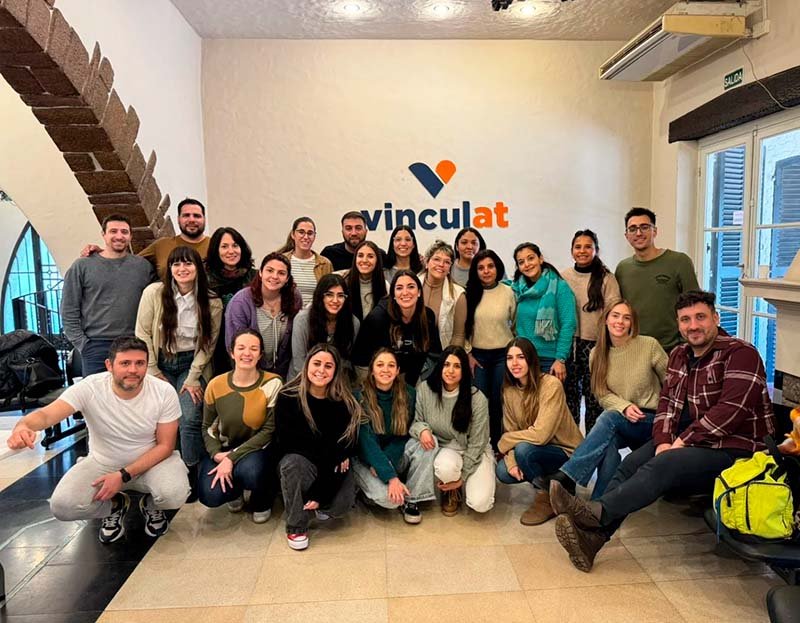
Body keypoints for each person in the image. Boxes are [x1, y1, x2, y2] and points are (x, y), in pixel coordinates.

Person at [550, 290, 776, 573]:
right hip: (696, 441)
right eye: (685, 320)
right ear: (678, 324)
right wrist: (663, 440)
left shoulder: (741, 353)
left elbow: (730, 412)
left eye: (700, 317)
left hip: (739, 449)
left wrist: (681, 441)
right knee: (632, 463)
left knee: (665, 462)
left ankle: (595, 512)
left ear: (716, 318)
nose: (693, 326)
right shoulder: (680, 354)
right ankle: (592, 538)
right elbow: (668, 403)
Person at [6, 336, 189, 543]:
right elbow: (47, 415)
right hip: (103, 463)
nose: (133, 370)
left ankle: (151, 506)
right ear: (109, 365)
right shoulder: (90, 387)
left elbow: (165, 446)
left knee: (175, 494)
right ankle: (115, 506)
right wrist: (24, 426)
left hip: (152, 463)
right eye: (125, 363)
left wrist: (123, 475)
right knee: (62, 506)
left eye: (140, 363)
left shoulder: (163, 391)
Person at [550, 299, 666, 499]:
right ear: (606, 319)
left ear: (632, 322)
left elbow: (674, 384)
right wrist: (624, 406)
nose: (620, 322)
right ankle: (599, 504)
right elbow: (601, 392)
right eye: (615, 316)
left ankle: (568, 476)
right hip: (624, 418)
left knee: (608, 417)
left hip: (651, 419)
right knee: (608, 444)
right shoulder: (597, 354)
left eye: (626, 318)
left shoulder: (649, 345)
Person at [135, 246, 222, 498]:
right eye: (176, 264)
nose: (182, 269)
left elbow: (208, 345)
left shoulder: (212, 302)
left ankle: (190, 473)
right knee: (159, 419)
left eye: (188, 264)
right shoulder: (154, 293)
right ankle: (158, 473)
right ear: (170, 269)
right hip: (159, 363)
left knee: (189, 417)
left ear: (198, 268)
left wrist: (194, 378)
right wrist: (153, 370)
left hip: (191, 364)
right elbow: (142, 333)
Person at [274, 344, 362, 550]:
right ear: (306, 366)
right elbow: (289, 442)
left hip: (330, 468)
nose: (321, 370)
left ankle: (314, 501)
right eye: (316, 363)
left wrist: (321, 491)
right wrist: (334, 454)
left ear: (335, 371)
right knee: (292, 462)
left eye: (328, 366)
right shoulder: (288, 397)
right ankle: (296, 526)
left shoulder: (344, 403)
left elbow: (347, 446)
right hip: (302, 462)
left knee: (341, 506)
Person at [199, 329, 283, 523]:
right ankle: (233, 491)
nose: (247, 353)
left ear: (260, 355)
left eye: (254, 349)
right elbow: (207, 427)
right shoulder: (215, 384)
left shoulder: (273, 382)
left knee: (251, 473)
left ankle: (262, 499)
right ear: (232, 352)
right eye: (241, 348)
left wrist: (232, 458)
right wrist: (216, 454)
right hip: (224, 448)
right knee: (209, 495)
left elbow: (269, 430)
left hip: (258, 448)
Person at [497, 338, 583, 525]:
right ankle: (558, 488)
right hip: (535, 448)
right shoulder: (509, 391)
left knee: (524, 450)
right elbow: (511, 431)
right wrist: (511, 461)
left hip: (565, 451)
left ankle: (547, 497)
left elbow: (541, 435)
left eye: (521, 357)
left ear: (531, 359)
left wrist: (505, 439)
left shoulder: (551, 385)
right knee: (503, 471)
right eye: (510, 358)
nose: (515, 363)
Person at [61, 213, 155, 376]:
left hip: (134, 343)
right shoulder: (82, 266)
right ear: (103, 234)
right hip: (96, 345)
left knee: (133, 391)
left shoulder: (143, 267)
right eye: (113, 231)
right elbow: (69, 308)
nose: (119, 236)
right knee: (96, 392)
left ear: (130, 236)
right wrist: (83, 344)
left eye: (124, 232)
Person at [353, 349, 436, 524]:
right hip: (366, 460)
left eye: (391, 365)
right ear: (372, 370)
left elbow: (406, 434)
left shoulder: (409, 393)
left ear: (398, 371)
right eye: (380, 365)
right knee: (390, 500)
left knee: (429, 441)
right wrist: (389, 475)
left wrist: (387, 463)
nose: (385, 370)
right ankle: (366, 492)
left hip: (393, 454)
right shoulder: (359, 397)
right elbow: (366, 441)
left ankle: (412, 499)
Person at [410, 346, 494, 516]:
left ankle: (469, 480)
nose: (450, 371)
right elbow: (416, 422)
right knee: (444, 466)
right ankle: (450, 490)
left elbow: (478, 443)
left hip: (475, 450)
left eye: (457, 366)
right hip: (447, 449)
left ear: (464, 370)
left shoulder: (477, 398)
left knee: (480, 503)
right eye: (446, 364)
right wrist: (423, 430)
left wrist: (462, 477)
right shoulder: (425, 389)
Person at [615, 207, 699, 352]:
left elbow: (695, 305)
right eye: (633, 229)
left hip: (672, 349)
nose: (639, 233)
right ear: (626, 235)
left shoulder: (679, 261)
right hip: (635, 348)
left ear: (655, 231)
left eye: (644, 227)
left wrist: (687, 344)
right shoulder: (623, 268)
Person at [562, 230, 620, 432]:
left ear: (596, 250)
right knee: (570, 398)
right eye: (578, 247)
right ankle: (571, 444)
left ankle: (593, 443)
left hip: (596, 344)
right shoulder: (564, 276)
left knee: (594, 398)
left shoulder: (607, 278)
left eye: (588, 247)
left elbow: (614, 312)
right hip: (570, 343)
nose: (582, 251)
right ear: (571, 251)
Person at [464, 249, 515, 450]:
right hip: (477, 356)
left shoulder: (508, 292)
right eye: (481, 268)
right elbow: (463, 327)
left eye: (490, 266)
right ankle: (480, 445)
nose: (486, 271)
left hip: (503, 355)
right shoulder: (468, 294)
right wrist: (468, 353)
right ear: (475, 271)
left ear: (498, 268)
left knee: (498, 402)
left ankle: (497, 447)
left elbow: (515, 324)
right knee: (479, 403)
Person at [353, 270, 442, 386]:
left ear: (419, 292)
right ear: (393, 295)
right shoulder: (377, 319)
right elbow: (361, 360)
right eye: (399, 288)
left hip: (408, 374)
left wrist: (410, 387)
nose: (405, 292)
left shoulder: (428, 316)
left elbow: (428, 355)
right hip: (374, 374)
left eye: (411, 287)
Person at [225, 253, 303, 379]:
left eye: (281, 273)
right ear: (260, 273)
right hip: (250, 372)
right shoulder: (240, 302)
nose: (275, 276)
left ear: (287, 278)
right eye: (270, 270)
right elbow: (234, 346)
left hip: (284, 372)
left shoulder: (294, 297)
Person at [510, 242, 576, 382]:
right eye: (521, 262)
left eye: (531, 258)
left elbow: (568, 324)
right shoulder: (518, 289)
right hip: (525, 357)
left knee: (550, 396)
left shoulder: (560, 286)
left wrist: (560, 359)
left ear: (540, 259)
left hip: (551, 359)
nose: (527, 264)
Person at [205, 227, 257, 374]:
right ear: (216, 250)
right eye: (224, 246)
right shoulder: (206, 279)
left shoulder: (255, 278)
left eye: (235, 245)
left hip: (247, 344)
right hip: (215, 345)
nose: (231, 251)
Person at [289, 273, 360, 379]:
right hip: (302, 377)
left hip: (335, 379)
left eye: (340, 295)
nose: (335, 300)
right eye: (329, 295)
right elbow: (299, 362)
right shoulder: (302, 320)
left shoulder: (353, 322)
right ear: (320, 296)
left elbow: (345, 361)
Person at [277, 216, 333, 307]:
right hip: (286, 313)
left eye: (310, 233)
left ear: (314, 236)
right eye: (301, 232)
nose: (306, 237)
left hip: (314, 314)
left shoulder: (325, 264)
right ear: (293, 234)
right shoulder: (281, 260)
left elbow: (329, 294)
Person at [421, 240, 466, 347]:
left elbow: (459, 336)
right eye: (436, 259)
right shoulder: (412, 285)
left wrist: (450, 356)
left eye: (447, 262)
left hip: (444, 351)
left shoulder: (458, 295)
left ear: (450, 268)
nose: (441, 265)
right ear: (427, 262)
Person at [321, 211, 386, 271]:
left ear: (366, 231)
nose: (353, 233)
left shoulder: (379, 255)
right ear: (342, 232)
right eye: (348, 228)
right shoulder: (329, 254)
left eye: (358, 228)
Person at [342, 240, 388, 321]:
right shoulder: (343, 281)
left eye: (370, 256)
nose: (364, 260)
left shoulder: (386, 286)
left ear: (377, 260)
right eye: (360, 256)